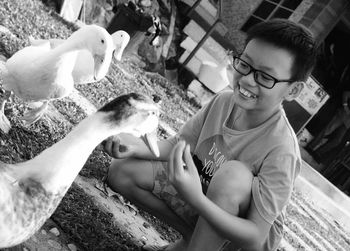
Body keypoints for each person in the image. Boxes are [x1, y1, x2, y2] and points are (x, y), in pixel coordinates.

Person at [102, 18, 318, 251]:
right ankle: (191, 240)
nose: (246, 79)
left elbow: (255, 237)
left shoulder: (282, 148)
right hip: (205, 201)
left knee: (233, 175)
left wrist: (196, 199)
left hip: (239, 240)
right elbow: (179, 146)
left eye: (265, 77)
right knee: (123, 171)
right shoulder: (223, 101)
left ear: (293, 90)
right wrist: (134, 146)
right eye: (244, 64)